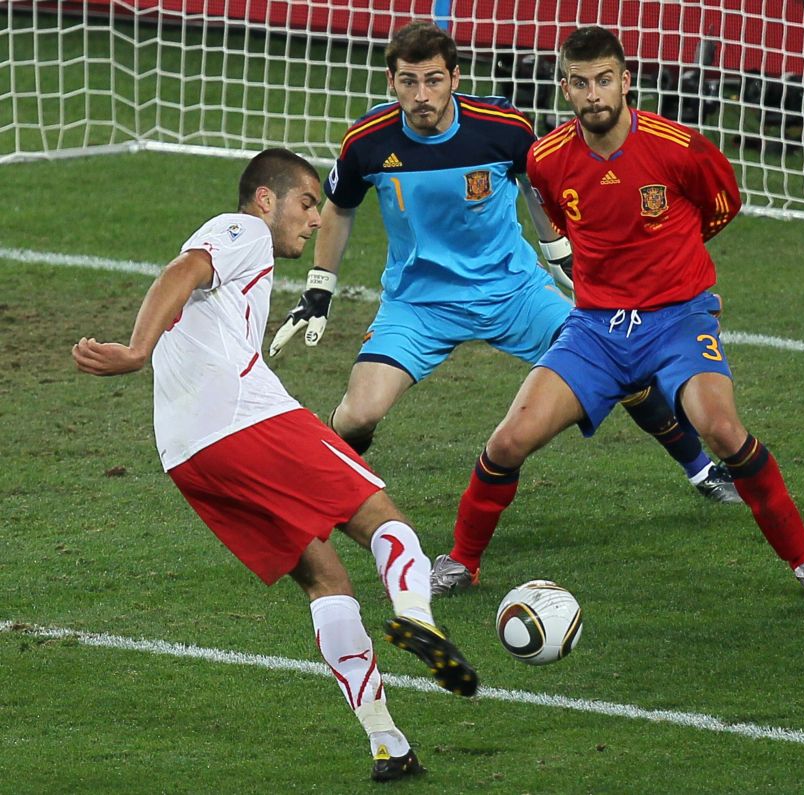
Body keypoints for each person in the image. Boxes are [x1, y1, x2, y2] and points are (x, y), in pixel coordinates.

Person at [268, 21, 741, 580]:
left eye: (434, 81)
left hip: (513, 291)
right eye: (408, 82)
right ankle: (319, 493)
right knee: (360, 412)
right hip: (419, 304)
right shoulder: (367, 140)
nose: (422, 96)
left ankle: (700, 469)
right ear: (390, 82)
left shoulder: (501, 127)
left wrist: (557, 251)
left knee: (622, 360)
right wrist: (320, 286)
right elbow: (340, 206)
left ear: (455, 79)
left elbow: (536, 184)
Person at [71, 148, 478, 783]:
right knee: (381, 518)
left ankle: (386, 742)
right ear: (267, 198)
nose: (315, 220)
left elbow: (201, 292)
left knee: (325, 582)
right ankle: (418, 617)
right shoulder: (243, 230)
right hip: (246, 421)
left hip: (187, 455)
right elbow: (184, 270)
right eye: (307, 203)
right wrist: (134, 350)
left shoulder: (244, 257)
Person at [435, 27, 804, 603]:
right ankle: (461, 561)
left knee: (722, 428)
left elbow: (723, 204)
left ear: (625, 81)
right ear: (565, 89)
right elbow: (564, 219)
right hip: (596, 331)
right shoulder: (548, 160)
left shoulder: (678, 146)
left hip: (677, 320)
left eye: (604, 80)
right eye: (580, 83)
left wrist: (684, 268)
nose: (594, 95)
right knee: (508, 441)